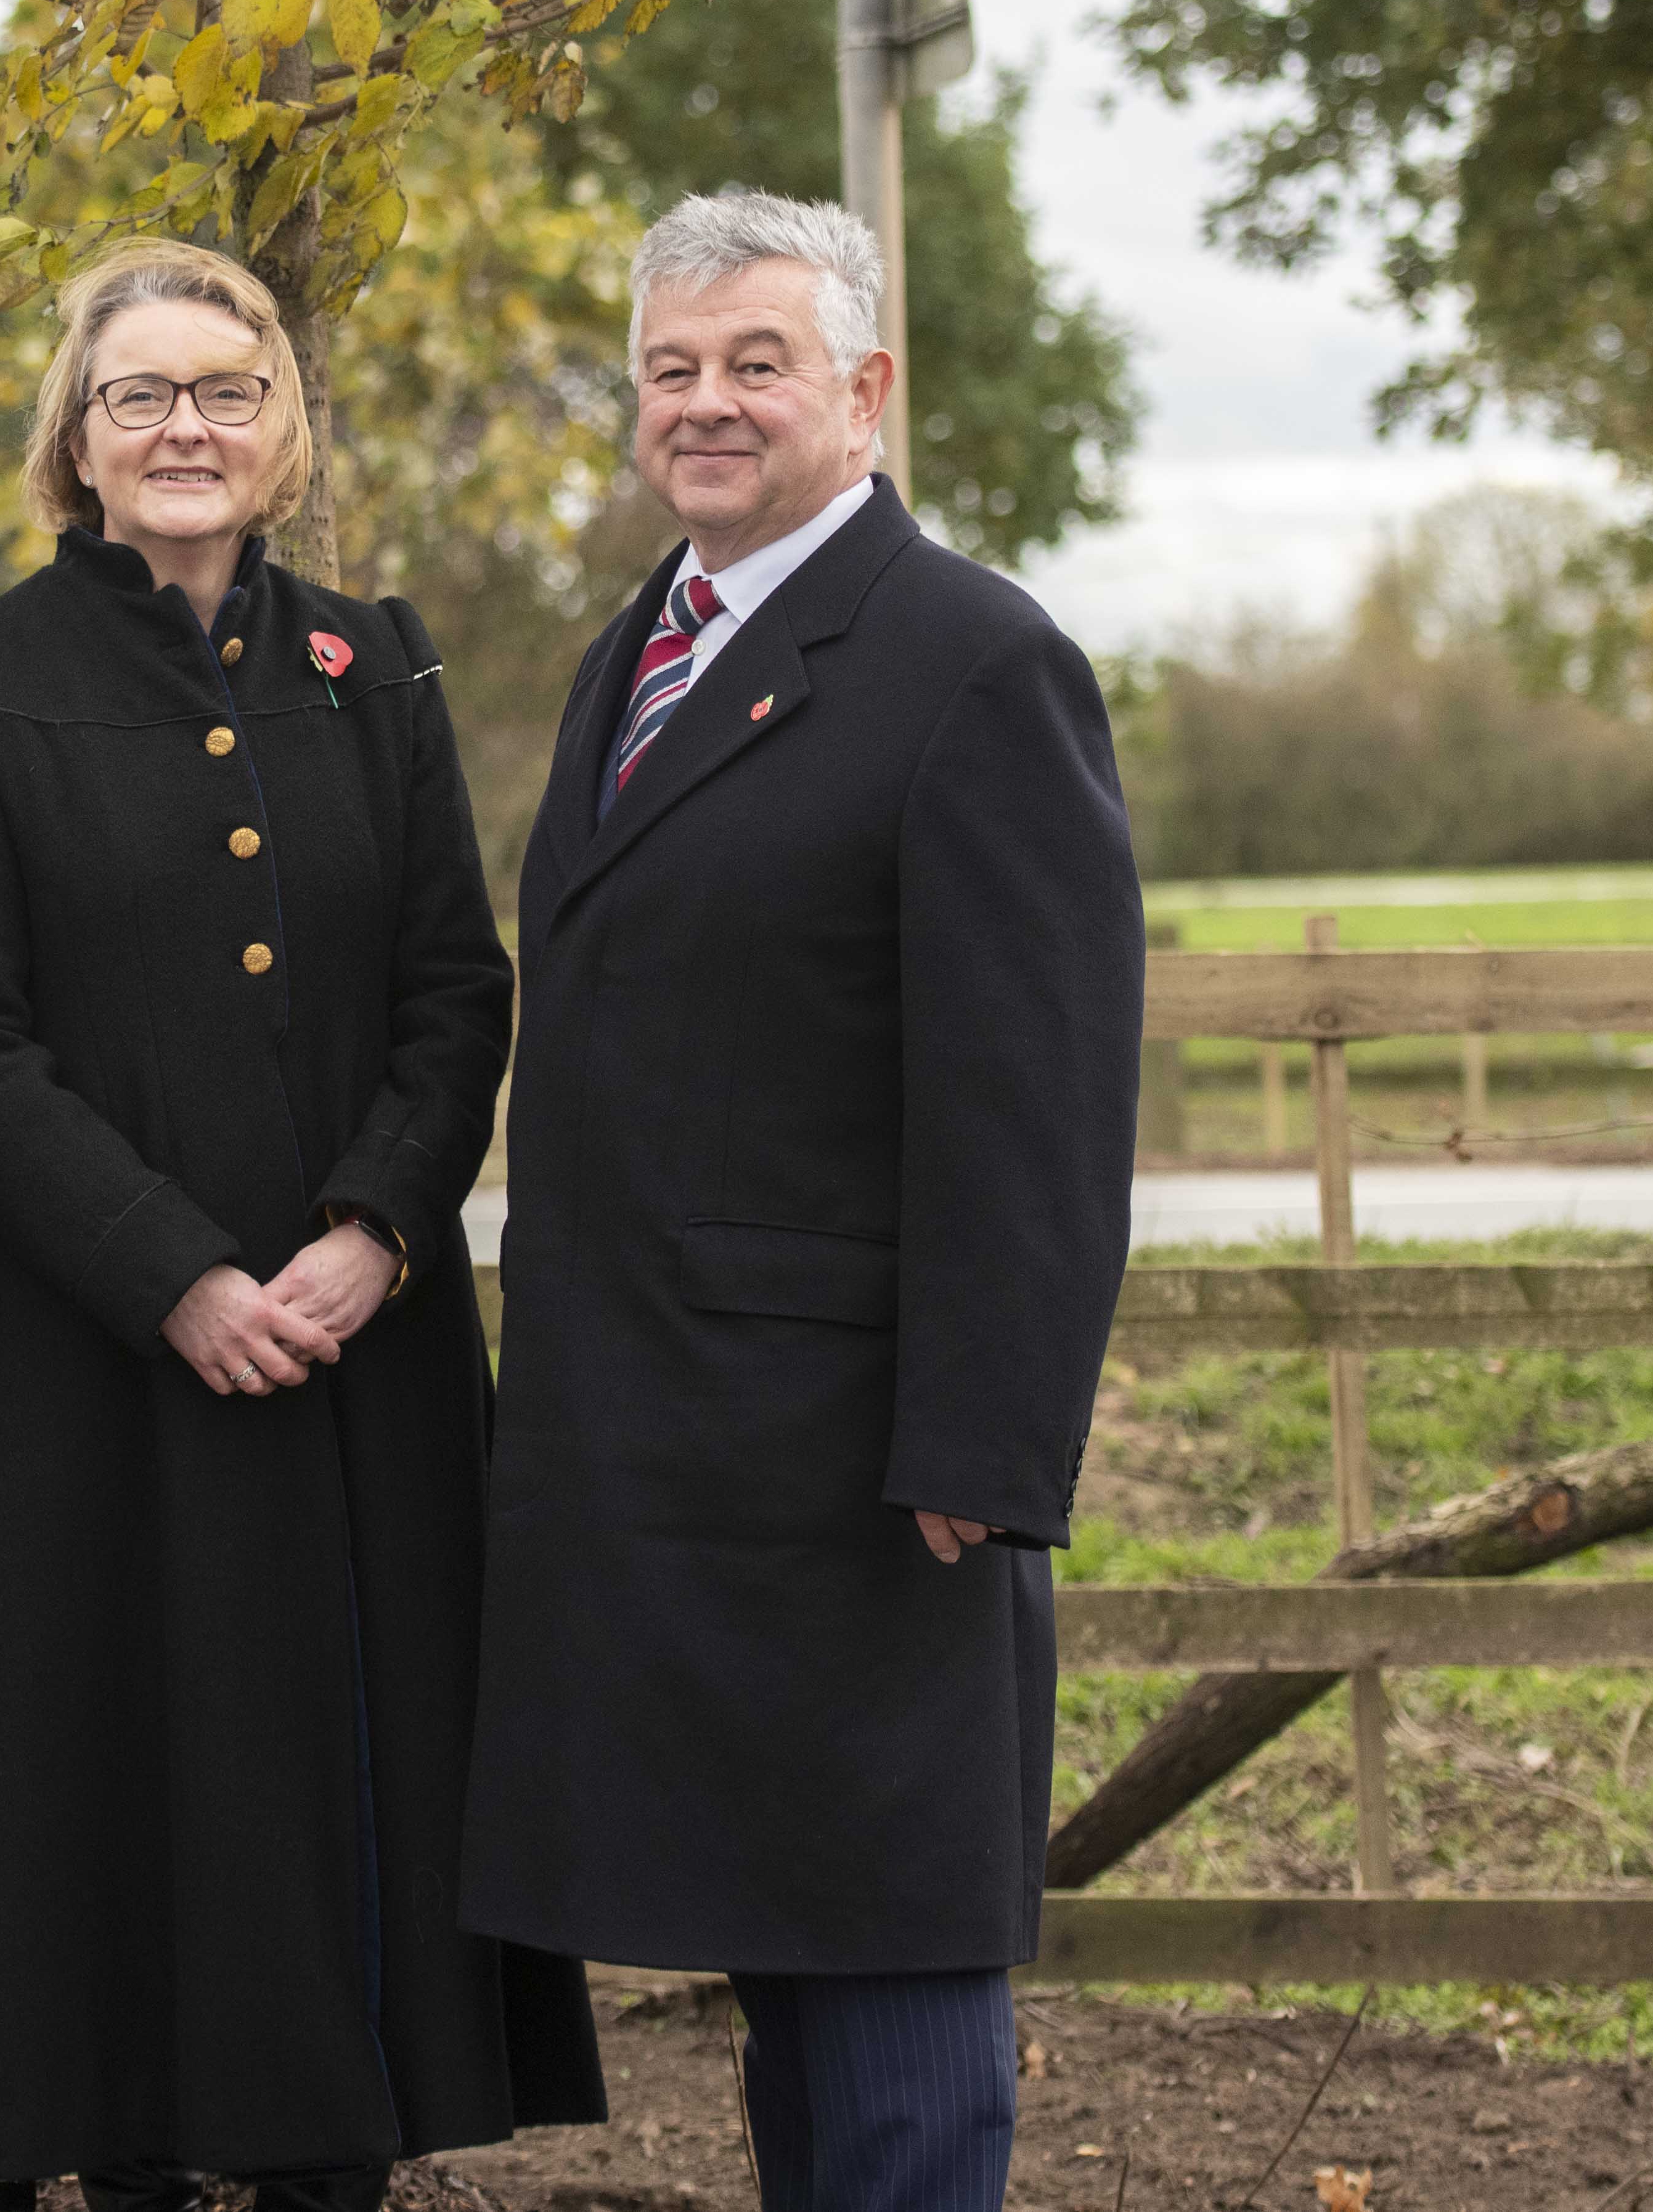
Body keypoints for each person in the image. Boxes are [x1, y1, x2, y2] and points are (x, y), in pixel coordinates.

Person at [0, 238, 603, 2212]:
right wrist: (171, 1268)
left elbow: (461, 985)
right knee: (111, 1798)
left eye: (226, 390)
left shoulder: (384, 663)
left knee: (334, 1797)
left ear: (283, 431)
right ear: (75, 442)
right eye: (140, 396)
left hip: (363, 1357)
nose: (186, 426)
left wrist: (375, 1228)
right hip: (87, 1375)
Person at [460, 190, 1144, 2212]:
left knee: (897, 1968)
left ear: (865, 387)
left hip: (867, 1464)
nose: (706, 403)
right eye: (672, 367)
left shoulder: (975, 662)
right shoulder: (640, 649)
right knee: (787, 1970)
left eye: (757, 363)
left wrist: (989, 1440)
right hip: (658, 1440)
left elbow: (1041, 1093)